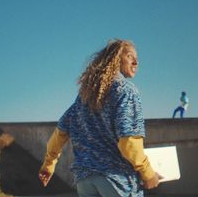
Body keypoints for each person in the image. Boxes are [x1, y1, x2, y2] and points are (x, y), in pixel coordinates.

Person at [38, 39, 161, 197]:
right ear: (116, 58)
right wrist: (148, 173)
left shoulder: (84, 97)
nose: (136, 62)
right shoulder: (126, 91)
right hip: (116, 181)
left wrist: (48, 165)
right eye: (130, 56)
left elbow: (59, 134)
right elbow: (129, 143)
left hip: (85, 181)